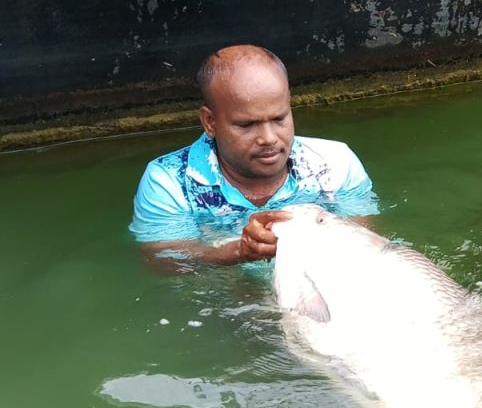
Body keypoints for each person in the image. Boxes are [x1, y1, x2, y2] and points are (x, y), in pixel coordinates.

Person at [130, 45, 378, 265]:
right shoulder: (170, 182)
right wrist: (238, 252)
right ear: (210, 122)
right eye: (246, 125)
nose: (269, 138)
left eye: (279, 118)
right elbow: (161, 258)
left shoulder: (334, 163)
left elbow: (362, 242)